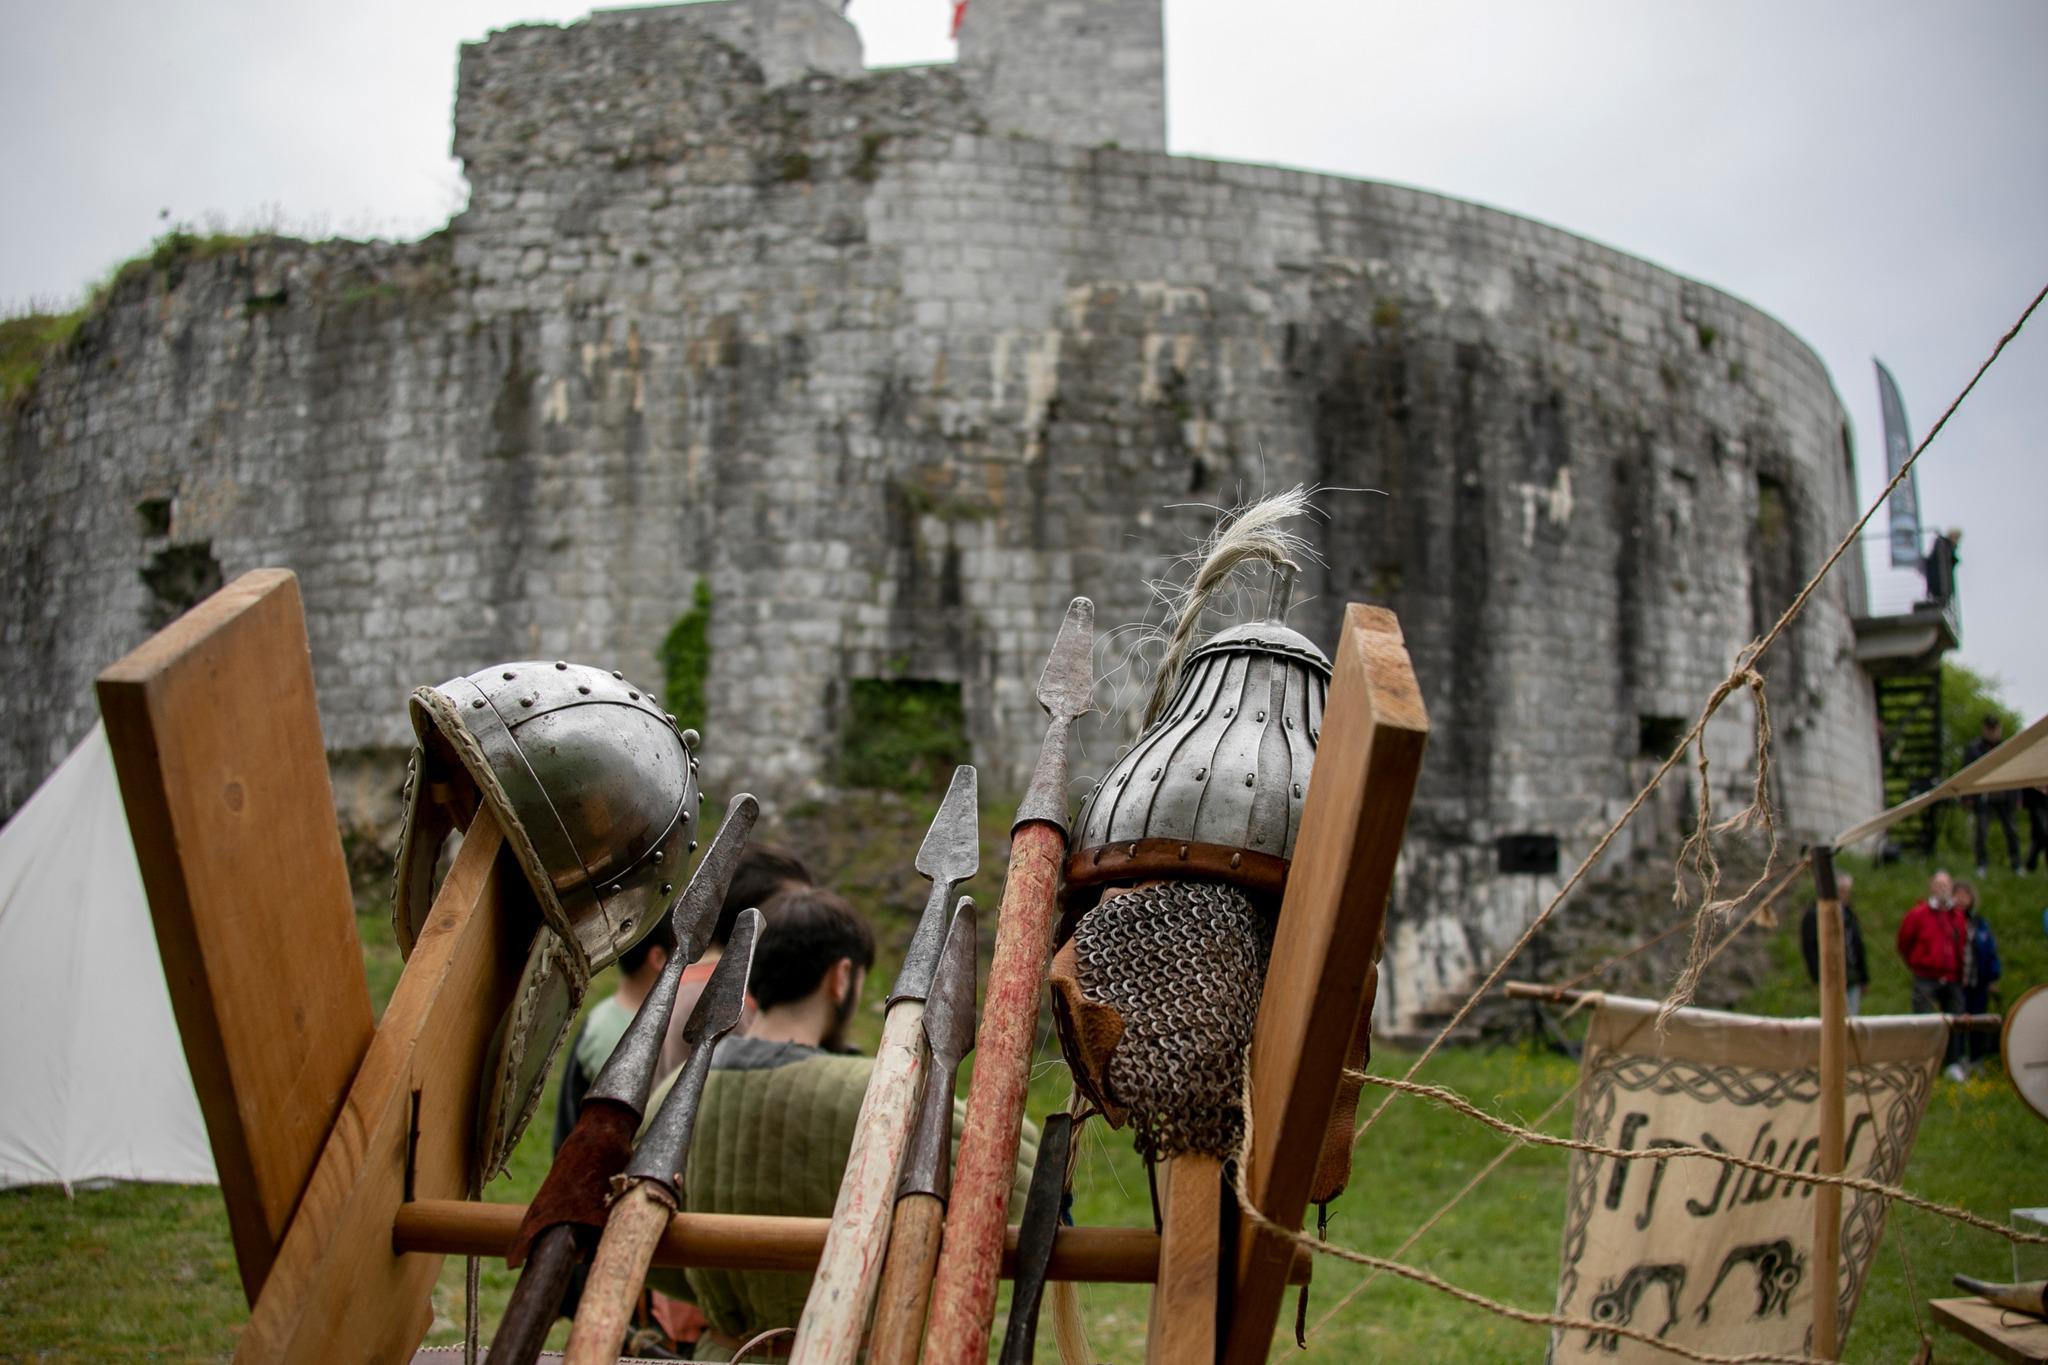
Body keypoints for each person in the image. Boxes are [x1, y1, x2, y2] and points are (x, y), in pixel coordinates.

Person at [646, 887, 1037, 1354]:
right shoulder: (879, 1095)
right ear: (841, 977)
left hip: (724, 1354)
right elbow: (1011, 1172)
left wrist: (727, 1292)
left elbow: (653, 1253)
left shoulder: (675, 1093)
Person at [1897, 869, 1968, 1079]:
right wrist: (1917, 963)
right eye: (1939, 885)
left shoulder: (1957, 916)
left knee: (1955, 1020)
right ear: (1931, 886)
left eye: (1946, 885)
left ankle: (1953, 1062)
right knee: (1924, 1020)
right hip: (1925, 975)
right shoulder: (1918, 914)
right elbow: (1904, 942)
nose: (1942, 889)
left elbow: (1961, 944)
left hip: (1952, 976)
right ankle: (1923, 1062)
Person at [1799, 872, 1868, 1015]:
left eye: (1847, 892)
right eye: (1842, 891)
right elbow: (1809, 948)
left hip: (1852, 976)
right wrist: (1818, 976)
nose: (1845, 896)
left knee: (1852, 1017)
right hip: (1830, 976)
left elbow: (1858, 946)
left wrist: (1863, 977)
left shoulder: (1849, 913)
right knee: (1834, 1015)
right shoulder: (1814, 915)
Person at [1964, 716, 2022, 878]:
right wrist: (1967, 796)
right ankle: (1981, 865)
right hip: (1983, 796)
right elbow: (1967, 773)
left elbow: (2014, 773)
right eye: (1989, 729)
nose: (1992, 732)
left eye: (1995, 729)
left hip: (2005, 795)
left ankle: (2016, 864)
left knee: (2011, 831)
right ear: (1984, 729)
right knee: (1981, 832)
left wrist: (2017, 796)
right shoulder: (1974, 749)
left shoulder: (2006, 747)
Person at [1956, 881, 2001, 1067]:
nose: (1961, 899)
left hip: (1979, 980)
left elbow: (1990, 951)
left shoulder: (1980, 922)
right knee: (1959, 1021)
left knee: (1978, 1020)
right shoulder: (1950, 920)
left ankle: (1977, 1058)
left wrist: (1993, 976)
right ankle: (1957, 1059)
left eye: (1965, 895)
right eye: (1957, 894)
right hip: (1957, 980)